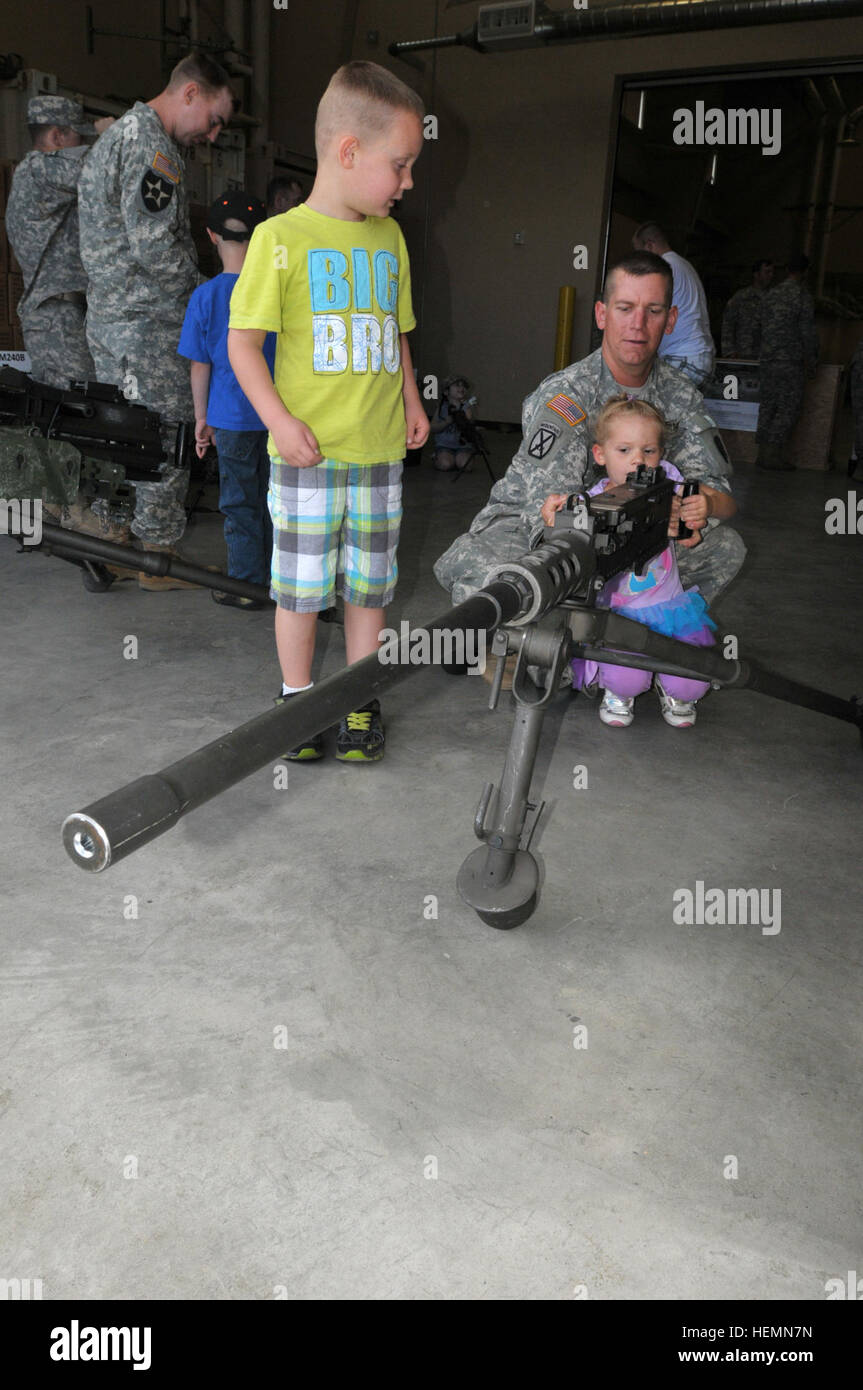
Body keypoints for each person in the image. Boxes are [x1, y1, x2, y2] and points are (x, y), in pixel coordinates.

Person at [228, 60, 428, 762]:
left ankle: (355, 694)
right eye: (399, 165)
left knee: (369, 585)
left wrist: (410, 397)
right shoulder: (278, 240)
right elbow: (243, 346)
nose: (407, 182)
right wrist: (279, 422)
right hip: (308, 455)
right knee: (302, 588)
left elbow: (397, 329)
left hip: (376, 453)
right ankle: (296, 697)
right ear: (348, 152)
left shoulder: (390, 239)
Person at [435, 251, 744, 615]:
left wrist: (690, 510)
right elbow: (547, 507)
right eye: (625, 308)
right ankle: (554, 640)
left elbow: (713, 488)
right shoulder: (567, 395)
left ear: (671, 319)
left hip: (637, 530)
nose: (638, 325)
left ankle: (642, 630)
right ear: (602, 314)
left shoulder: (680, 395)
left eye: (653, 311)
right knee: (514, 580)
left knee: (724, 547)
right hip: (538, 525)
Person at [77, 51, 235, 588]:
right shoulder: (151, 146)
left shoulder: (121, 134)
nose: (213, 136)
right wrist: (206, 301)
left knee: (122, 438)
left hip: (114, 322)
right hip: (148, 325)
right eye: (215, 120)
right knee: (165, 436)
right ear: (190, 93)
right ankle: (159, 561)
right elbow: (155, 250)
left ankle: (115, 547)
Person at [541, 397, 736, 728]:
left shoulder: (667, 484)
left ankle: (669, 686)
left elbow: (724, 508)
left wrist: (700, 509)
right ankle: (620, 692)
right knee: (625, 680)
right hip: (618, 616)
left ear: (661, 455)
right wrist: (553, 519)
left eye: (649, 451)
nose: (637, 461)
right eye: (624, 450)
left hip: (668, 609)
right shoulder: (594, 501)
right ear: (600, 454)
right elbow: (565, 545)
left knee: (691, 683)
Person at [178, 191, 276, 607]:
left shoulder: (206, 296)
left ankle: (247, 587)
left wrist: (202, 418)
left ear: (212, 236)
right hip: (278, 418)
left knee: (240, 504)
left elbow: (200, 365)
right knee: (280, 503)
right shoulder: (278, 290)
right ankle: (286, 585)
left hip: (231, 420)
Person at [6, 97, 114, 390]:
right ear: (57, 136)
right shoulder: (39, 169)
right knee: (76, 409)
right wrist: (111, 138)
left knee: (87, 409)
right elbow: (96, 172)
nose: (83, 146)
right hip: (57, 320)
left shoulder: (43, 177)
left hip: (65, 316)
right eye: (78, 138)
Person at [755, 253, 819, 472]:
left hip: (767, 359)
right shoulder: (802, 296)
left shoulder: (771, 294)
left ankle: (761, 453)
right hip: (790, 361)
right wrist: (812, 361)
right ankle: (773, 454)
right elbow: (807, 333)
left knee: (767, 406)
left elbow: (760, 325)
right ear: (805, 272)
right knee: (787, 407)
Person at [631, 222, 715, 387]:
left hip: (681, 357)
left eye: (640, 254)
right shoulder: (685, 266)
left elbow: (649, 313)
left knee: (653, 410)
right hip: (699, 357)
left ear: (649, 245)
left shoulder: (664, 269)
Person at [721, 258, 774, 359]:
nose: (771, 275)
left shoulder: (775, 299)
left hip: (766, 358)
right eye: (767, 272)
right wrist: (729, 351)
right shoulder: (741, 297)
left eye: (772, 272)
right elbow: (728, 324)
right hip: (742, 356)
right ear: (756, 274)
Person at [430, 376, 476, 471]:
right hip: (444, 445)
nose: (461, 388)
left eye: (463, 386)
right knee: (445, 464)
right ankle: (438, 457)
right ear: (446, 392)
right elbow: (432, 427)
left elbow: (470, 423)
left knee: (466, 466)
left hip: (463, 446)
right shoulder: (442, 407)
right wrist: (446, 422)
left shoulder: (466, 406)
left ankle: (458, 458)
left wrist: (467, 413)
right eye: (457, 385)